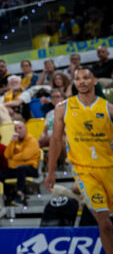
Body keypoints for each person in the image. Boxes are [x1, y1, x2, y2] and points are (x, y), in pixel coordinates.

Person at [46, 68, 113, 254]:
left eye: (86, 78)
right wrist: (51, 172)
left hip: (110, 169)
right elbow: (56, 141)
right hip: (84, 171)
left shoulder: (108, 108)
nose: (82, 81)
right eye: (77, 79)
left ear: (94, 81)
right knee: (105, 223)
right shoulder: (63, 107)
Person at [0, 121, 39, 205]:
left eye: (20, 128)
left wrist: (13, 158)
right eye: (15, 129)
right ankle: (3, 196)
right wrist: (12, 142)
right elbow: (7, 155)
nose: (18, 130)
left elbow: (25, 155)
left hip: (31, 168)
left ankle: (19, 195)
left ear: (26, 129)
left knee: (21, 168)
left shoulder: (32, 140)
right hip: (16, 168)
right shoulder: (14, 141)